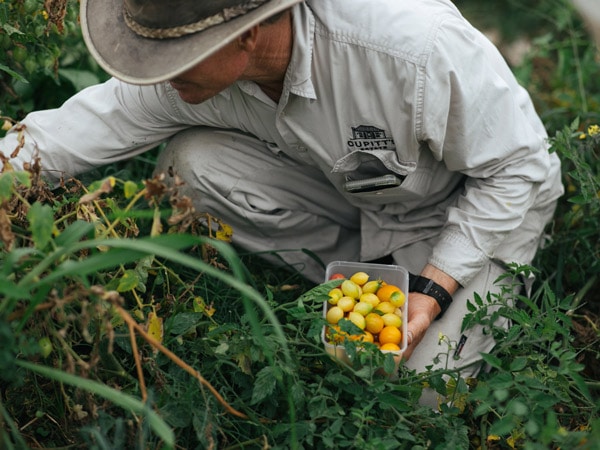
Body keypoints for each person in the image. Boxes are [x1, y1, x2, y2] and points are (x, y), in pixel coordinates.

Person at [1, 0, 563, 404]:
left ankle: (493, 286)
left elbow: (519, 168)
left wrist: (437, 287)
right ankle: (365, 280)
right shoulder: (185, 78)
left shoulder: (409, 45)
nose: (156, 76)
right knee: (191, 165)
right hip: (364, 200)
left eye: (171, 58)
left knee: (418, 395)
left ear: (245, 34)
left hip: (480, 207)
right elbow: (63, 136)